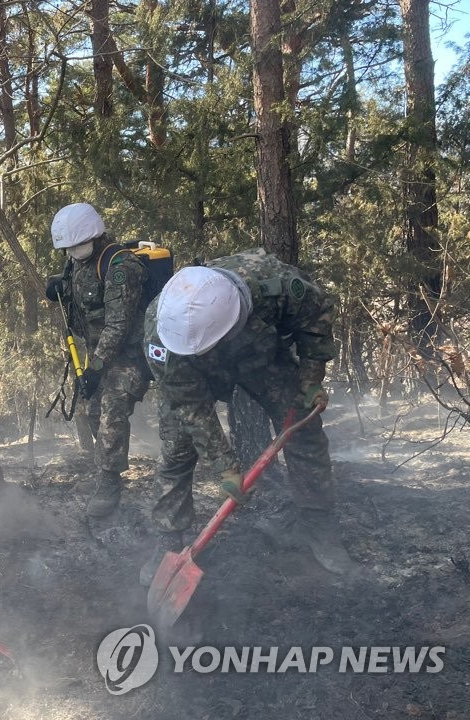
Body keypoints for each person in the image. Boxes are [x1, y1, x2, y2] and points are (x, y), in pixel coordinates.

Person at [140, 248, 355, 584]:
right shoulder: (162, 330)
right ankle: (168, 541)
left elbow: (316, 318)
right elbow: (190, 406)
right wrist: (225, 466)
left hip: (260, 356)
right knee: (178, 447)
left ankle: (318, 525)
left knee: (303, 426)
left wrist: (311, 378)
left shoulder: (275, 284)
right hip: (192, 372)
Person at [44, 203, 152, 517]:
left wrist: (97, 368)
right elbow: (79, 298)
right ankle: (106, 473)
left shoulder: (121, 267)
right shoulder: (77, 262)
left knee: (111, 412)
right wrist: (57, 287)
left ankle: (108, 486)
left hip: (130, 358)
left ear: (92, 236)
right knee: (92, 413)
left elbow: (119, 325)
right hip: (100, 357)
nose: (71, 252)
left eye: (74, 246)